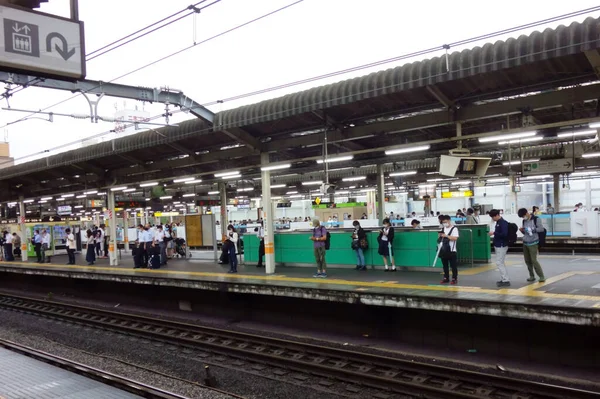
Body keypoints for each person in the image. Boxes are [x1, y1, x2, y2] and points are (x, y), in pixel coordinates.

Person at [518, 208, 546, 283]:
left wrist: (532, 230)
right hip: (525, 242)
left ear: (527, 213)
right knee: (527, 260)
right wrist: (523, 231)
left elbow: (541, 229)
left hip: (533, 242)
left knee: (534, 260)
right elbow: (526, 233)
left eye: (523, 216)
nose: (523, 218)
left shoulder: (536, 219)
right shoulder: (524, 220)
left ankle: (541, 276)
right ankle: (531, 276)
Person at [488, 209, 510, 287]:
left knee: (499, 262)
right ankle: (504, 279)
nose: (492, 218)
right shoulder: (498, 222)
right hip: (498, 244)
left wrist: (494, 233)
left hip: (502, 245)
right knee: (501, 262)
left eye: (493, 217)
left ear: (497, 215)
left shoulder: (503, 223)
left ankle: (505, 280)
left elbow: (504, 234)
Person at [439, 215, 459, 284]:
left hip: (452, 250)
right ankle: (446, 278)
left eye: (445, 222)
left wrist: (446, 236)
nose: (444, 223)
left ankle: (454, 278)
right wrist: (440, 236)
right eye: (443, 222)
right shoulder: (443, 228)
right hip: (443, 250)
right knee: (445, 266)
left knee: (453, 266)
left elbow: (455, 238)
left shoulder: (454, 229)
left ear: (449, 220)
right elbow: (439, 239)